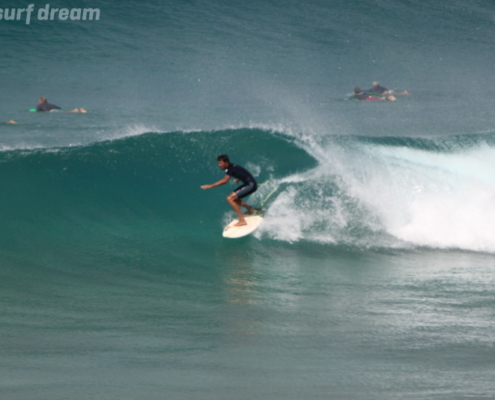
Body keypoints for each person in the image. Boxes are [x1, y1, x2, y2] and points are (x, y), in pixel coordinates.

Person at [201, 155, 259, 227]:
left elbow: (225, 180)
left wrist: (211, 185)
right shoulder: (232, 166)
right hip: (250, 184)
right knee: (232, 198)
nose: (219, 165)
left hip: (251, 185)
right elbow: (242, 172)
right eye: (218, 163)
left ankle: (242, 220)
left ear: (226, 163)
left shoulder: (230, 169)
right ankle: (251, 209)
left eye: (220, 163)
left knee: (229, 198)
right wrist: (238, 178)